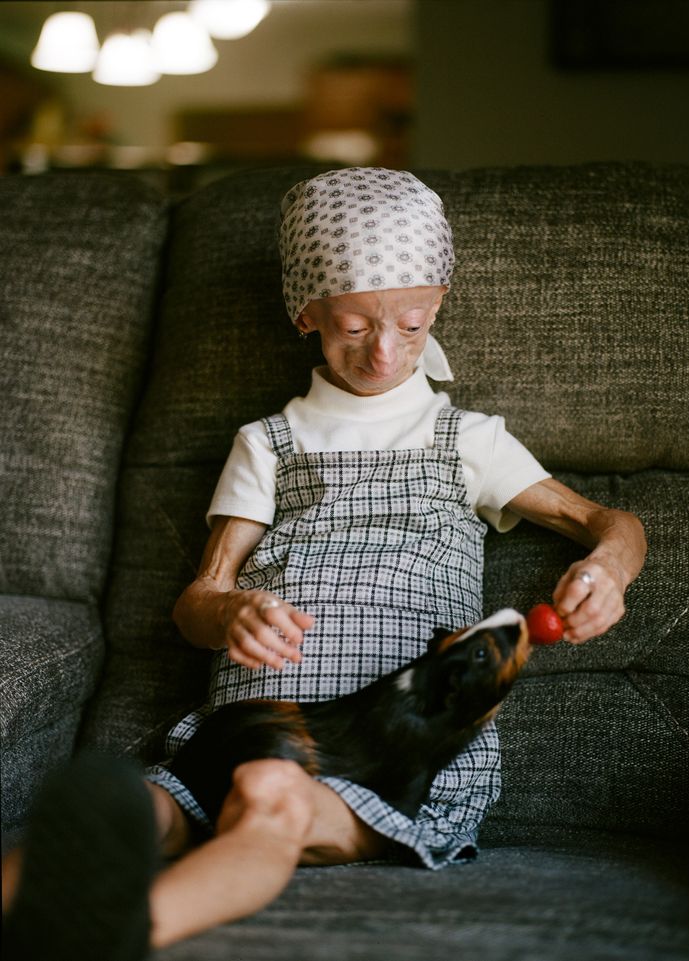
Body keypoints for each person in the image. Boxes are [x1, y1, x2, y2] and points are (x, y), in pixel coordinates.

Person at [2, 168, 646, 958]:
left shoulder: (467, 438)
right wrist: (230, 609)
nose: (383, 351)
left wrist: (609, 568)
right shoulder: (266, 442)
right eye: (352, 327)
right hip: (247, 728)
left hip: (401, 755)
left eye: (411, 324)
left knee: (269, 796)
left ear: (437, 302)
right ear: (307, 314)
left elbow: (605, 521)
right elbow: (197, 598)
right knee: (136, 810)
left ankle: (114, 936)